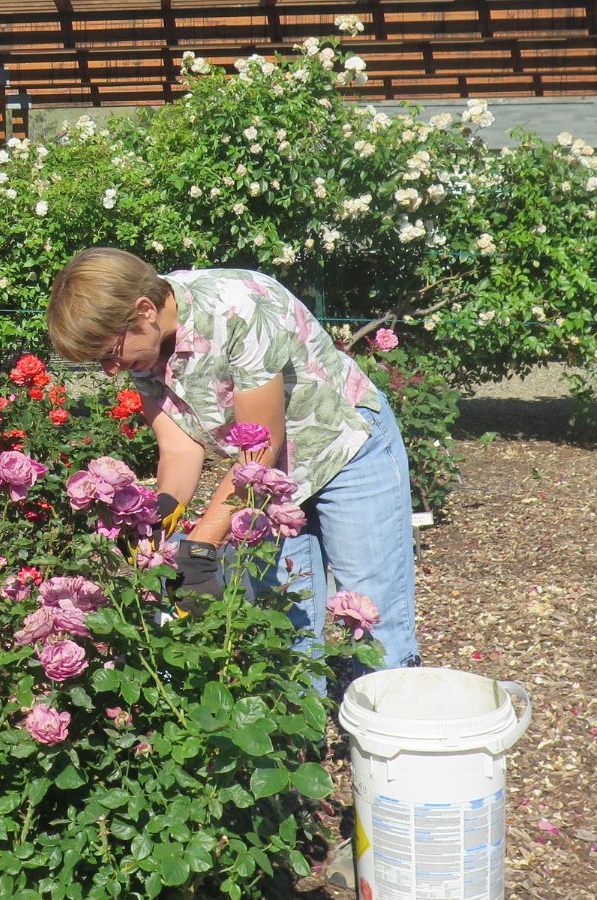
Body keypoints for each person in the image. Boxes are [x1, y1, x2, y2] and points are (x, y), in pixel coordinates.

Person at [46, 248, 419, 670]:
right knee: (286, 630)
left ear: (145, 309)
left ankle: (391, 730)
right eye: (101, 362)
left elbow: (261, 447)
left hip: (344, 450)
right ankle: (304, 737)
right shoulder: (140, 342)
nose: (112, 370)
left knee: (373, 619)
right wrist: (160, 513)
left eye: (110, 355)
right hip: (272, 481)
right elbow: (180, 446)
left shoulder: (238, 308)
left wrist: (201, 547)